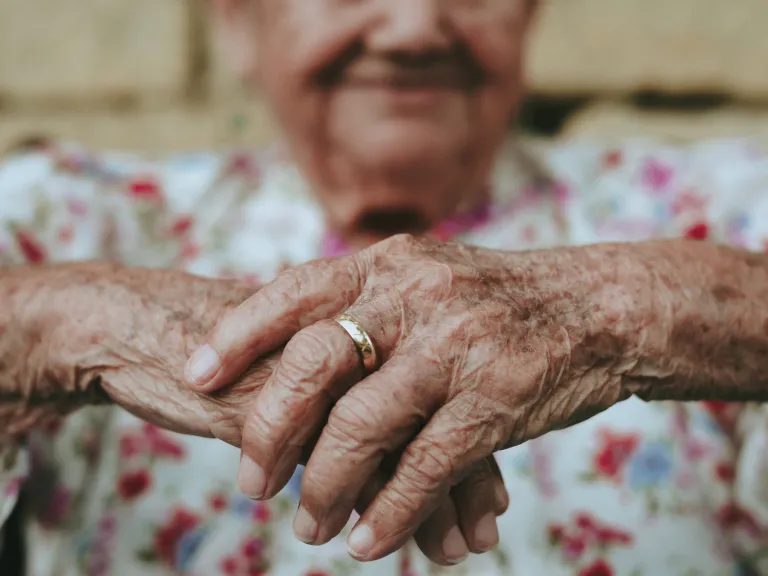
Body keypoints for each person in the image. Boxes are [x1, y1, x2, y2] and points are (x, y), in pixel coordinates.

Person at [1, 0, 768, 574]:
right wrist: (62, 322)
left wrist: (611, 310)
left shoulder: (714, 214)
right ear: (237, 20)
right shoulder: (75, 222)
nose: (410, 29)